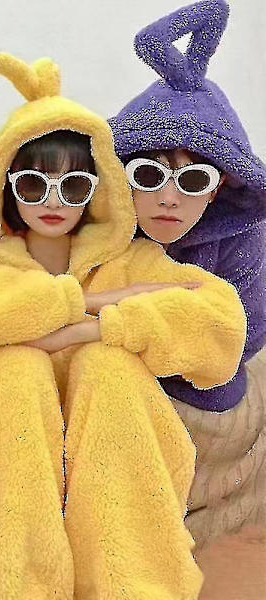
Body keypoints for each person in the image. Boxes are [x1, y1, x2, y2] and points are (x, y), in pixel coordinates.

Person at [0, 49, 246, 600]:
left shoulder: (131, 260)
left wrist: (97, 329)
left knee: (107, 364)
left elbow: (219, 324)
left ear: (97, 190)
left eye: (72, 187)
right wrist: (92, 300)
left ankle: (131, 583)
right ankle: (18, 586)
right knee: (13, 369)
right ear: (5, 187)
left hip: (116, 495)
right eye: (34, 185)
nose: (53, 201)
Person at [110, 3, 266, 594]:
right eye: (148, 175)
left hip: (205, 397)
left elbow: (245, 333)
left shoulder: (245, 240)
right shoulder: (97, 232)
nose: (169, 198)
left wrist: (154, 334)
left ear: (221, 185)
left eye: (193, 178)